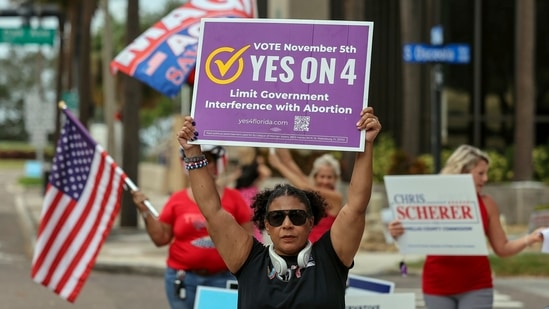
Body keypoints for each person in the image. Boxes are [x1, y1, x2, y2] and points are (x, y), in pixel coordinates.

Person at [176, 107, 381, 308]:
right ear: (267, 224)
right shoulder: (248, 259)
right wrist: (192, 152)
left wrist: (366, 143)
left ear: (311, 222)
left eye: (297, 216)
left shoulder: (331, 257)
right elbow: (213, 212)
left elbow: (356, 207)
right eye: (277, 218)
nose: (287, 224)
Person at [388, 144, 546, 309]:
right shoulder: (432, 198)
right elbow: (415, 233)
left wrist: (530, 238)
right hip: (437, 285)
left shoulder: (488, 204)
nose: (485, 179)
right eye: (480, 173)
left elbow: (502, 248)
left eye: (486, 173)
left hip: (477, 286)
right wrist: (398, 232)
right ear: (462, 171)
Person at [131, 144, 254, 309]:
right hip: (183, 280)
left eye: (207, 160)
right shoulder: (177, 199)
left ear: (218, 164)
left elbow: (247, 243)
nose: (201, 164)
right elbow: (161, 239)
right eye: (195, 159)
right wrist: (145, 211)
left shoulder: (235, 199)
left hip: (223, 280)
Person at [268, 148, 343, 242]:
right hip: (307, 244)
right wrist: (281, 142)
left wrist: (278, 165)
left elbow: (303, 187)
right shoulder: (313, 188)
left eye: (329, 177)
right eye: (322, 176)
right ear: (315, 177)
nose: (325, 181)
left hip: (323, 247)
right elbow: (289, 162)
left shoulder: (336, 197)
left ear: (335, 179)